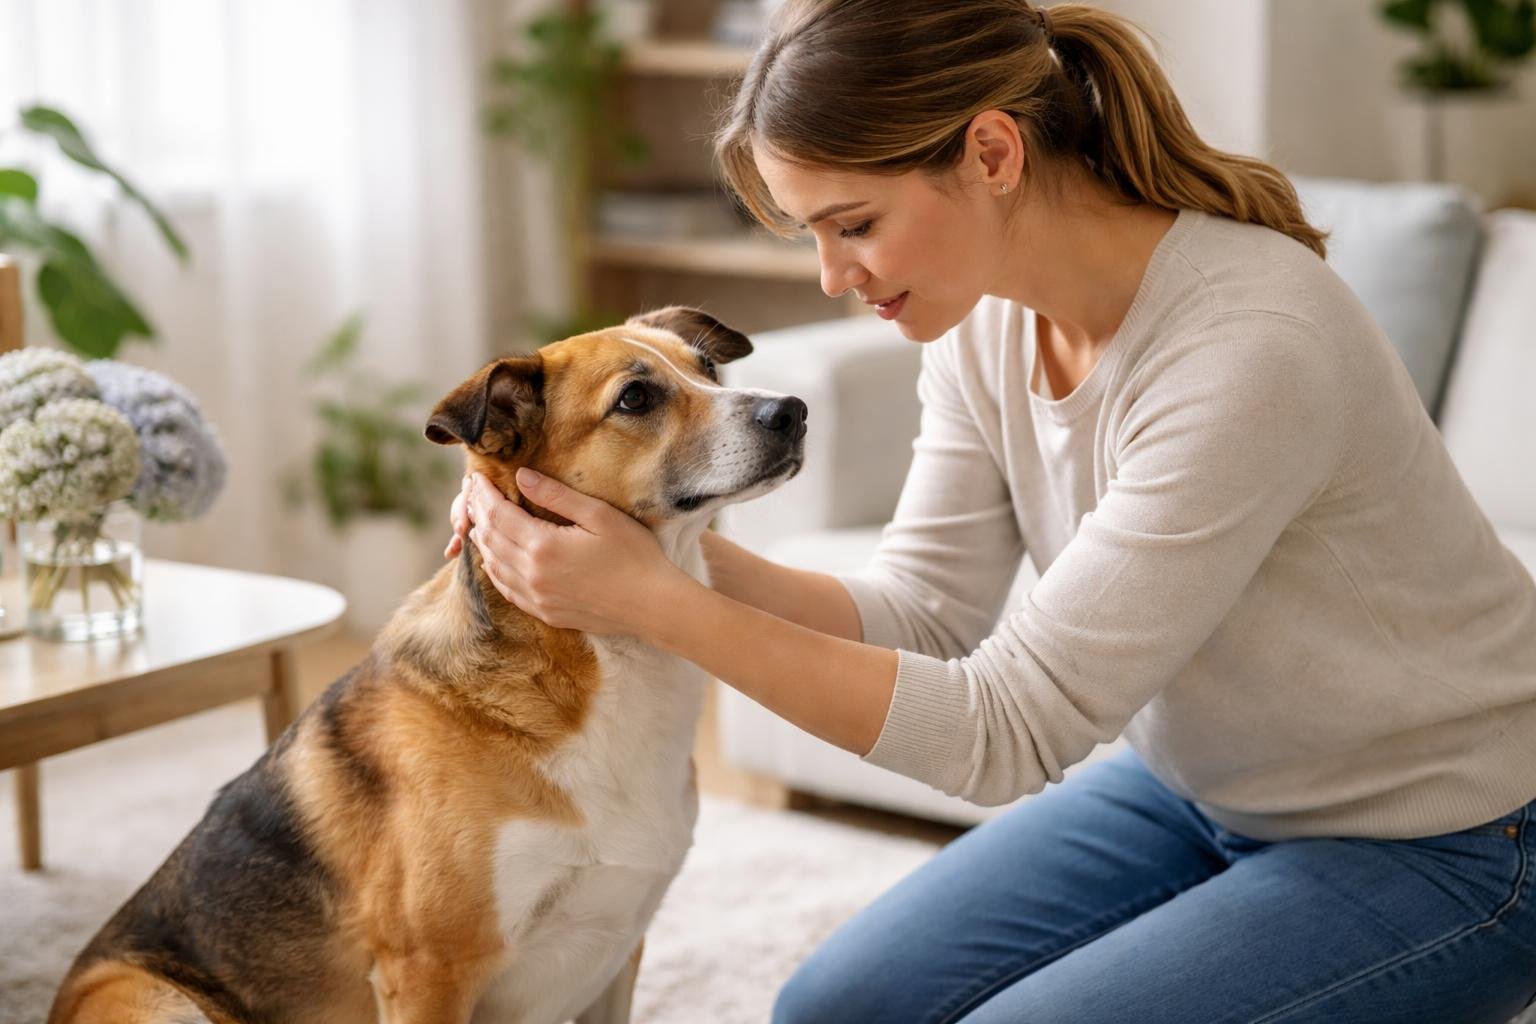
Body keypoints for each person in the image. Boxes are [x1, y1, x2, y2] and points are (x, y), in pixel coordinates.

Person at [446, 1, 1536, 1020]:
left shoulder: (1250, 347)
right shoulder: (983, 319)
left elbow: (1006, 733)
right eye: (812, 236)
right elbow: (924, 609)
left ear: (993, 154)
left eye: (853, 224)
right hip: (1200, 790)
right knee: (831, 1011)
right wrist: (623, 545)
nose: (831, 277)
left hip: (1452, 834)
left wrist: (657, 603)